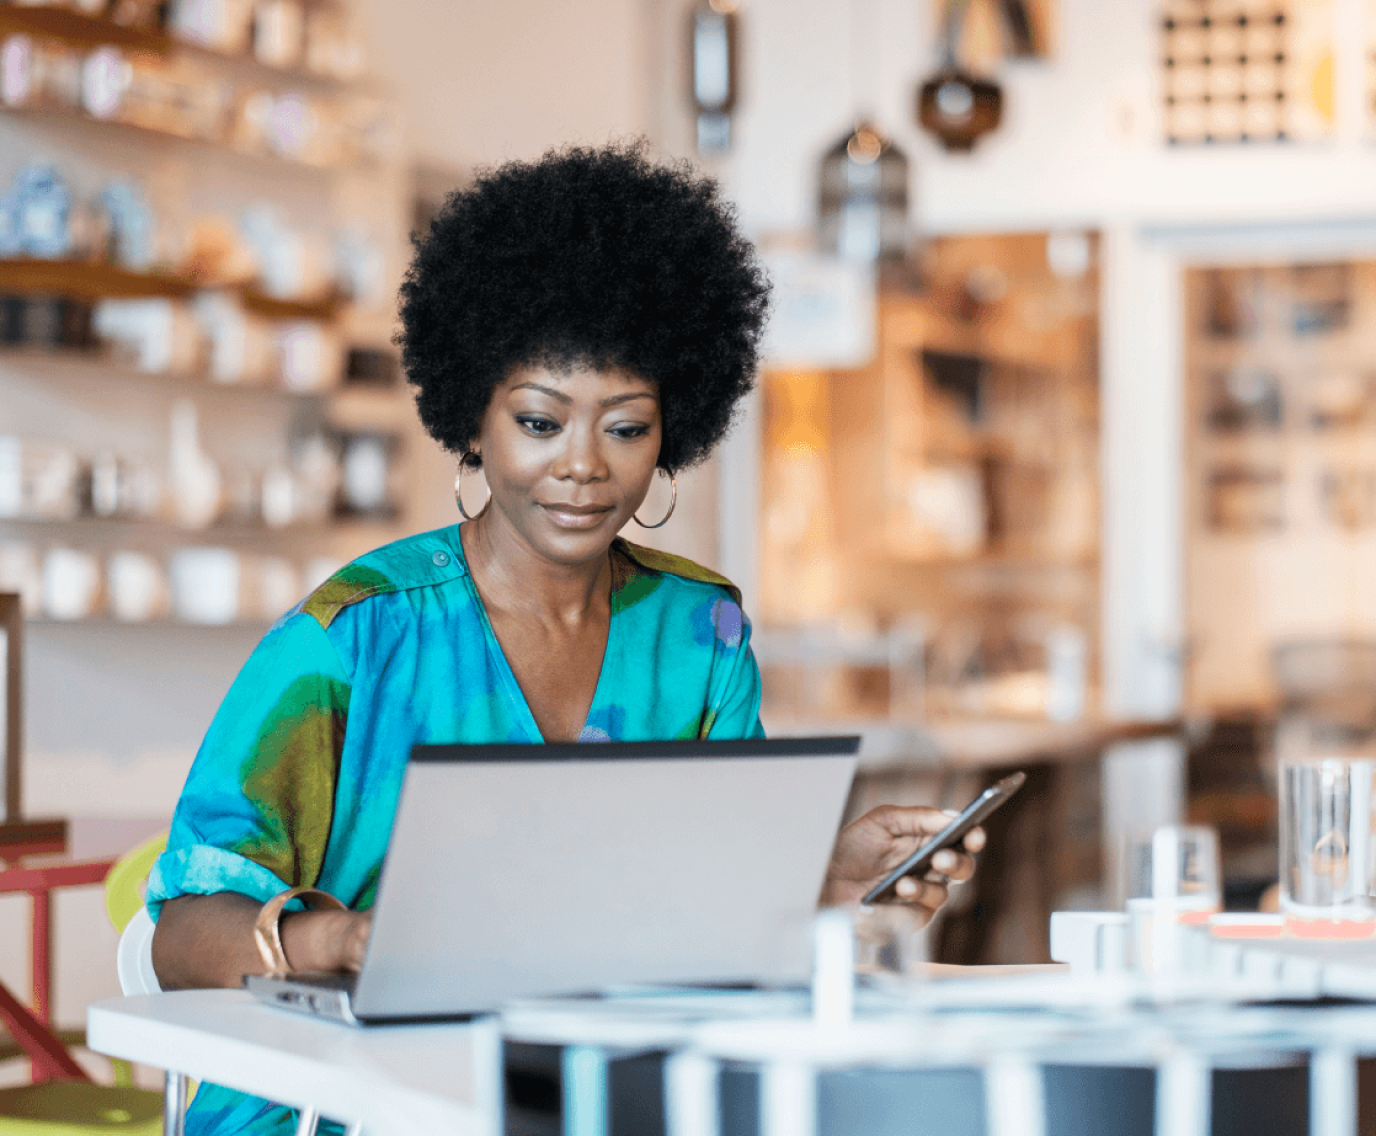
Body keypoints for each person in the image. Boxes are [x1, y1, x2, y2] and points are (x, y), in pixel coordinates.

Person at [147, 143, 984, 1135]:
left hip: (586, 1096)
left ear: (672, 427)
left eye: (624, 428)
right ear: (475, 420)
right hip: (343, 1104)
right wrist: (338, 939)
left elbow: (689, 913)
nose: (583, 466)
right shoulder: (354, 633)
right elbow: (180, 933)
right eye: (540, 421)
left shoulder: (697, 629)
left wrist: (819, 878)